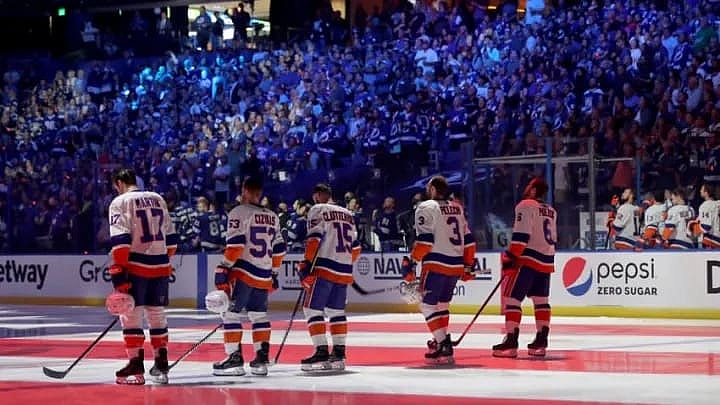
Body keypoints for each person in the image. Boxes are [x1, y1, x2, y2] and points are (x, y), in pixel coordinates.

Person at [108, 168, 178, 385]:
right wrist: (162, 260)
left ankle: (135, 363)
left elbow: (120, 243)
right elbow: (172, 241)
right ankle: (161, 363)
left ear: (120, 183)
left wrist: (119, 272)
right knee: (157, 314)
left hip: (136, 266)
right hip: (161, 265)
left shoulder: (120, 202)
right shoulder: (157, 198)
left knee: (131, 315)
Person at [213, 176, 286, 376]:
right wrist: (274, 273)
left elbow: (236, 245)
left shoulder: (238, 212)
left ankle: (234, 358)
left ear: (244, 190)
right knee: (259, 315)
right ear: (260, 193)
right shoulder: (272, 216)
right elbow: (280, 249)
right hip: (264, 274)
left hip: (243, 272)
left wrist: (224, 266)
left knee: (230, 314)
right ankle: (261, 360)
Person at [400, 175, 476, 364]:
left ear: (433, 189)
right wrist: (468, 265)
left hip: (436, 263)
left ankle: (443, 343)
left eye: (428, 187)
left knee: (427, 305)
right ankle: (439, 339)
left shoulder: (426, 207)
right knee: (442, 305)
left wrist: (412, 261)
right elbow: (469, 240)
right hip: (455, 265)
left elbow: (425, 242)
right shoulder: (457, 207)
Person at [297, 183, 361, 371]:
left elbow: (313, 240)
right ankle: (339, 353)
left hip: (324, 267)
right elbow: (356, 247)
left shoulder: (317, 209)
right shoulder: (348, 214)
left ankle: (321, 351)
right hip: (343, 270)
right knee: (336, 312)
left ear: (317, 196)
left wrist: (306, 264)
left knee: (311, 309)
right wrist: (344, 262)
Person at [493, 177, 556, 358]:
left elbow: (521, 236)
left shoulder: (526, 205)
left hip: (526, 259)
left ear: (534, 190)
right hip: (546, 260)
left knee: (512, 300)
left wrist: (511, 257)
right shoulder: (551, 211)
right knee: (541, 301)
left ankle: (511, 341)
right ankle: (541, 342)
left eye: (528, 187)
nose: (525, 189)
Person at [689, 184, 720, 248]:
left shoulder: (706, 205)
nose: (700, 191)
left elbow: (706, 227)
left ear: (706, 193)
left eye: (702, 189)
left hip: (710, 241)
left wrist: (693, 227)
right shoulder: (717, 203)